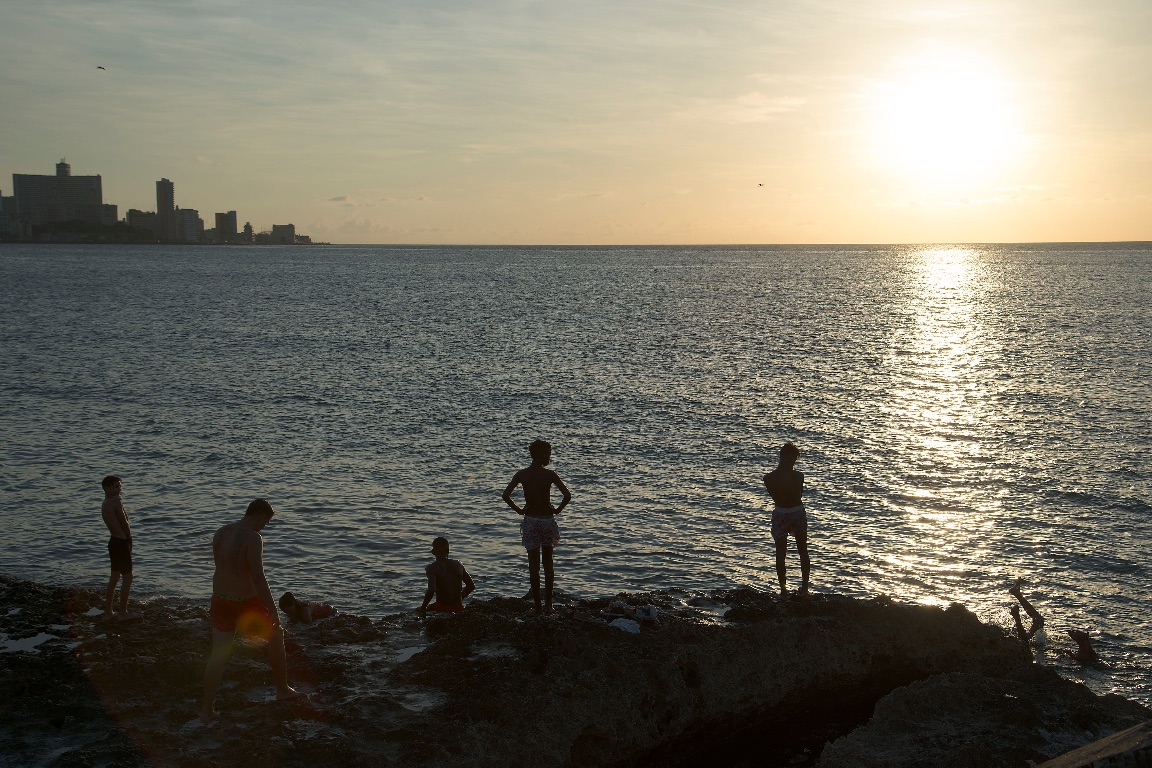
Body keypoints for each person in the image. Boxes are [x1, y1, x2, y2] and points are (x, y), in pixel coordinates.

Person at [200, 499, 302, 723]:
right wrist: (272, 608)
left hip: (220, 600)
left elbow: (222, 568)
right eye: (266, 521)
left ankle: (207, 710)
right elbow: (257, 576)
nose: (265, 526)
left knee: (218, 656)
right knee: (277, 636)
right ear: (259, 516)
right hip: (245, 603)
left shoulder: (221, 532)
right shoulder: (253, 538)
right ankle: (282, 689)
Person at [503, 440, 571, 616]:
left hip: (531, 520)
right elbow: (567, 495)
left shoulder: (522, 474)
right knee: (548, 564)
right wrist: (556, 510)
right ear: (541, 455)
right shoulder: (550, 475)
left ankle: (538, 608)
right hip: (547, 521)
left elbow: (506, 495)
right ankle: (549, 606)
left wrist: (519, 510)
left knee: (533, 565)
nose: (549, 457)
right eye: (548, 454)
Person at [1008, 578, 1098, 663]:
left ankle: (1017, 617)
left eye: (1075, 632)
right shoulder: (1083, 649)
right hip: (1044, 648)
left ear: (1083, 638)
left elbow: (1082, 656)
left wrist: (1071, 655)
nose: (1070, 631)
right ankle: (1017, 595)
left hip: (1038, 650)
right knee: (1039, 621)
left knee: (1025, 642)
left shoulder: (1087, 651)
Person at [763, 442, 810, 599]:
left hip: (781, 512)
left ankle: (784, 590)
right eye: (794, 459)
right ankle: (804, 589)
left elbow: (776, 496)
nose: (794, 462)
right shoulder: (799, 476)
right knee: (801, 550)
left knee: (781, 553)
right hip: (796, 511)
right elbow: (799, 495)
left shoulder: (768, 478)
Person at [100, 475, 138, 621]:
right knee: (128, 577)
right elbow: (124, 522)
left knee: (114, 577)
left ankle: (108, 612)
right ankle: (123, 613)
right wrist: (129, 539)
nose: (118, 489)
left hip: (113, 542)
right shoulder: (116, 501)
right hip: (121, 542)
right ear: (107, 488)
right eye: (115, 486)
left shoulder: (105, 503)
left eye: (119, 486)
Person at [418, 537, 475, 615]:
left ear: (433, 552)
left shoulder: (432, 568)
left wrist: (423, 607)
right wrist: (459, 599)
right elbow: (471, 586)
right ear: (448, 551)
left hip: (442, 608)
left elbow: (431, 591)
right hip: (459, 607)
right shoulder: (458, 565)